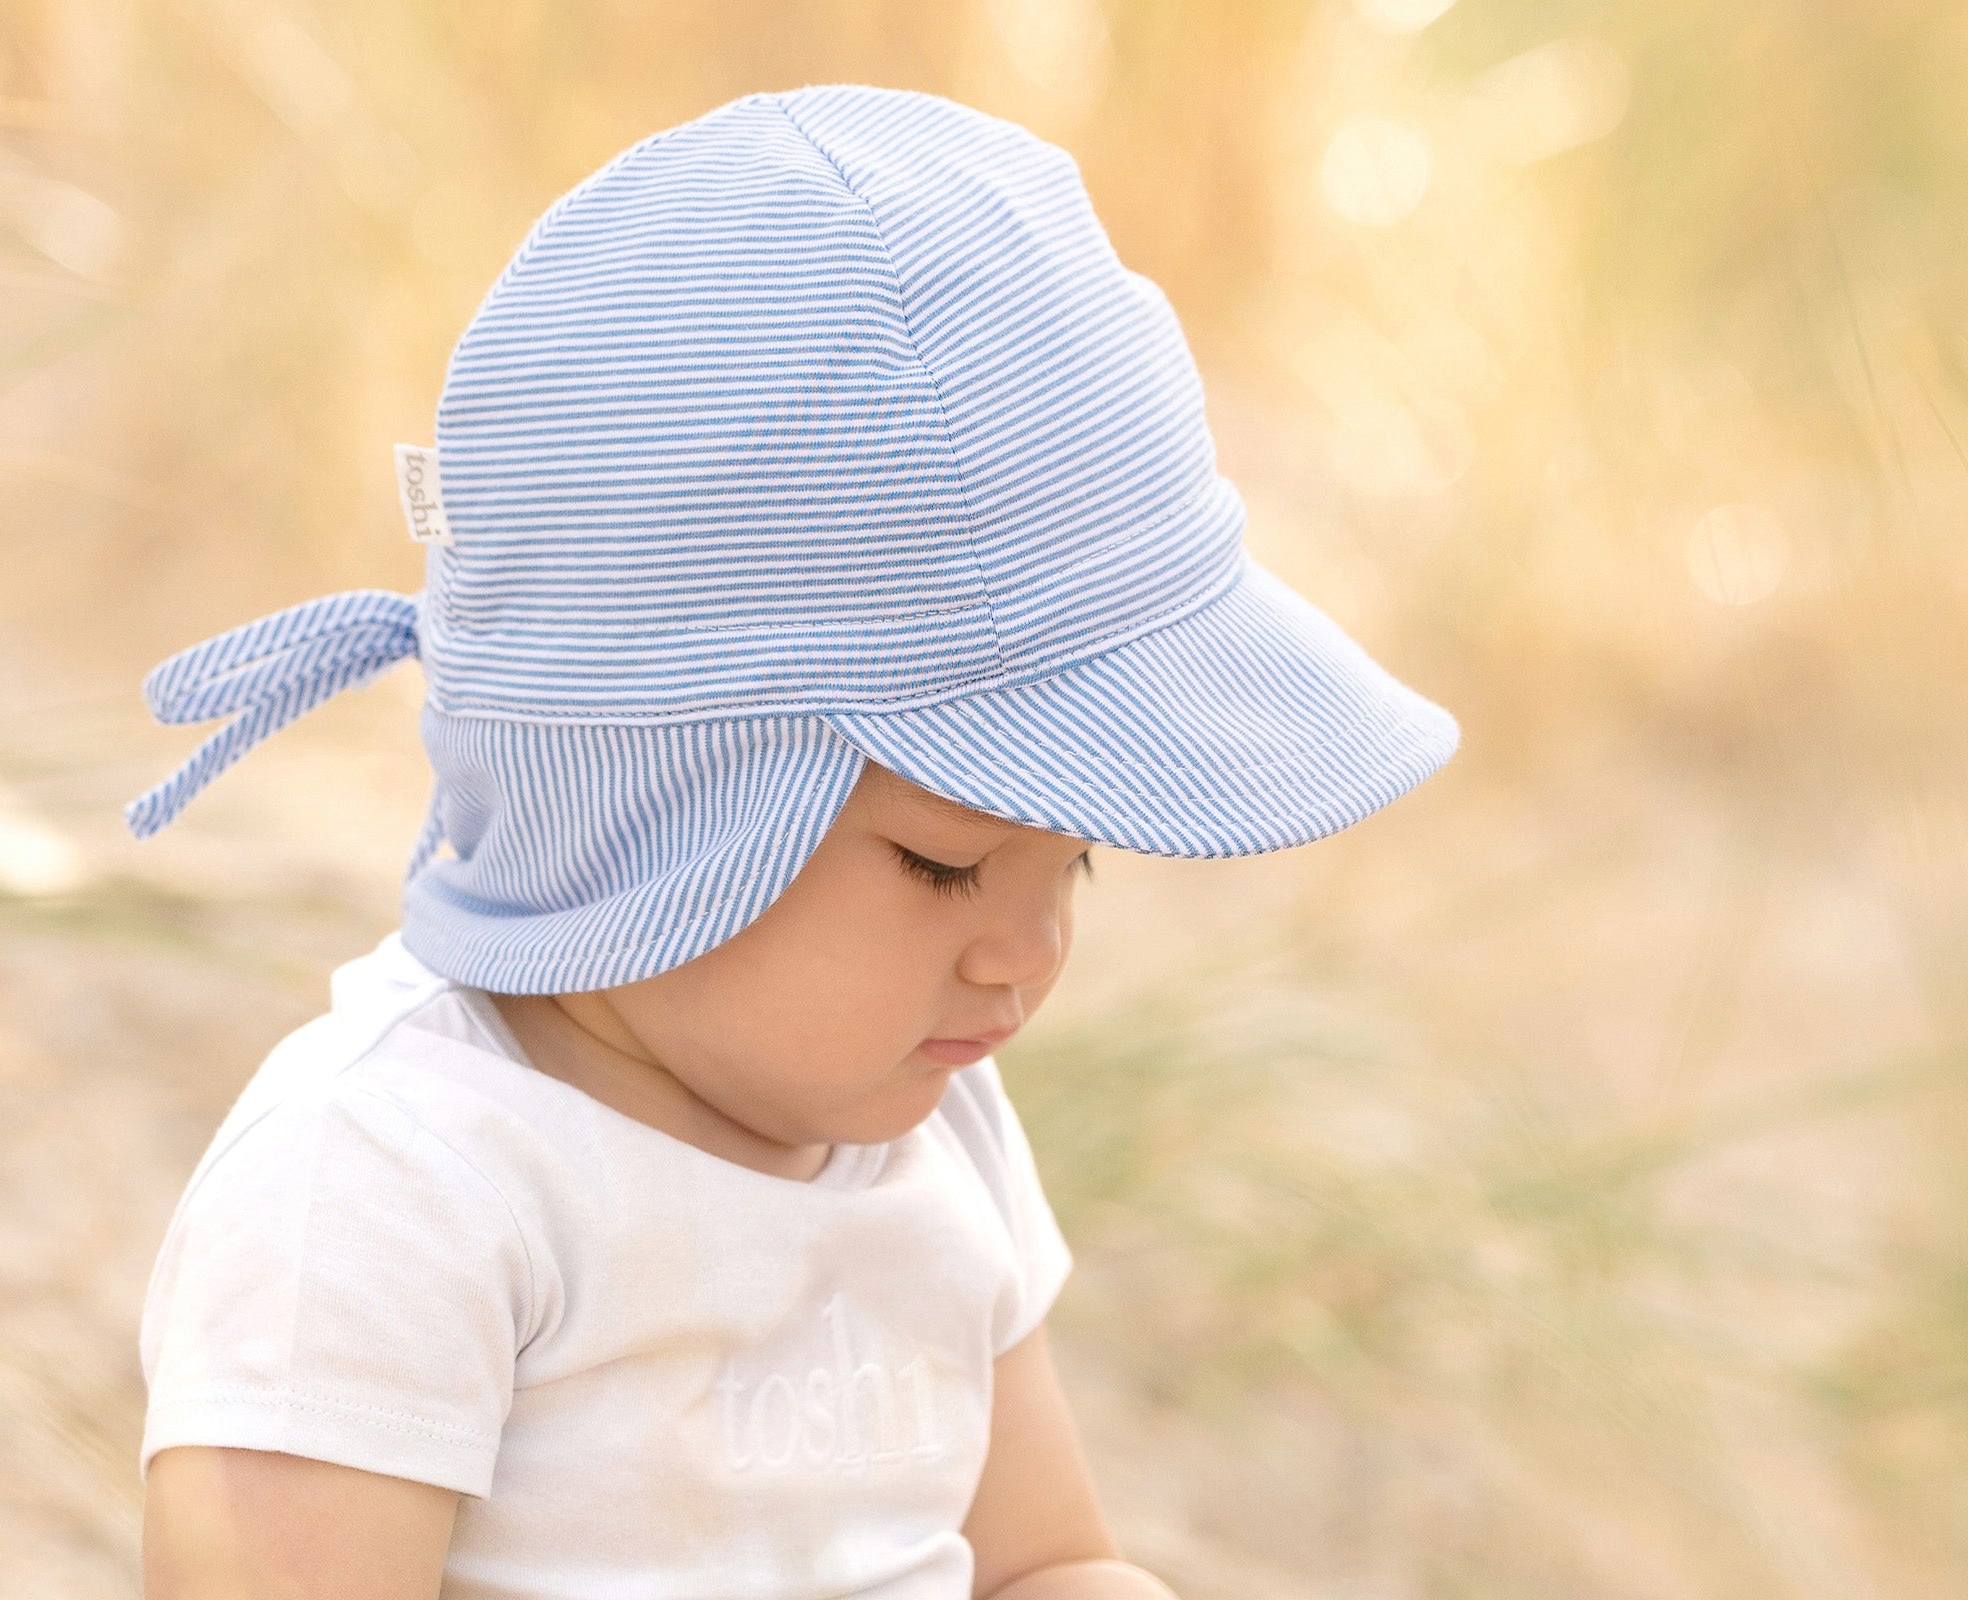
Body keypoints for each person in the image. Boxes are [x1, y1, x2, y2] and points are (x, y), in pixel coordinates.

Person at [122, 82, 1461, 1600]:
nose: (1029, 948)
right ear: (662, 813)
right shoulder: (392, 1190)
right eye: (948, 861)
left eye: (1077, 854)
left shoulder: (931, 1128)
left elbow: (1043, 1562)